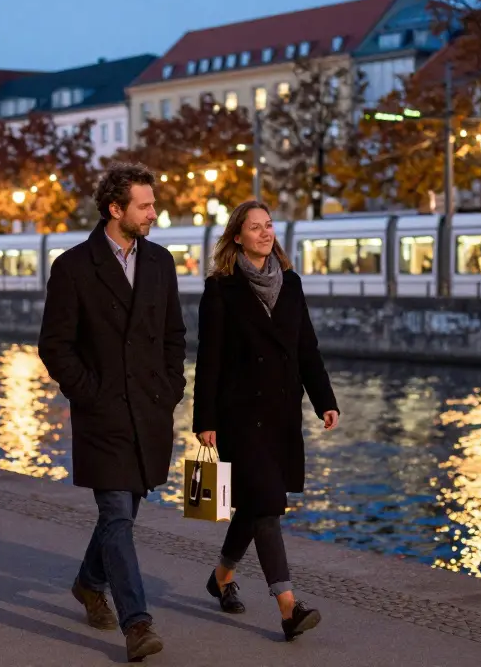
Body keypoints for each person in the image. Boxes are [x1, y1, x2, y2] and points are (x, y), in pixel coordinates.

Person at [37, 161, 187, 662]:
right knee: (118, 514)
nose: (153, 213)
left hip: (148, 412)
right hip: (102, 413)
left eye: (152, 203)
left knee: (124, 513)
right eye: (144, 206)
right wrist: (89, 393)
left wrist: (170, 390)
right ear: (115, 208)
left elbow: (174, 337)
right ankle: (137, 624)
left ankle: (87, 583)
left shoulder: (161, 263)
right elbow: (55, 346)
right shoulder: (74, 267)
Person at [193, 200, 340, 642]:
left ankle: (221, 576)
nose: (264, 233)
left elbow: (306, 348)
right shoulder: (220, 288)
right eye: (254, 228)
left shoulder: (290, 283)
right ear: (237, 237)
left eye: (269, 226)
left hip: (280, 413)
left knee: (256, 502)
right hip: (239, 416)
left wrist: (324, 400)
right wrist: (205, 419)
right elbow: (209, 360)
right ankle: (288, 606)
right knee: (269, 505)